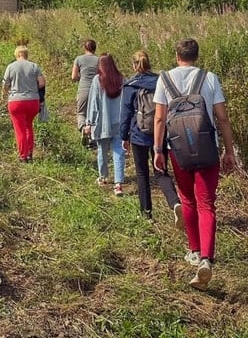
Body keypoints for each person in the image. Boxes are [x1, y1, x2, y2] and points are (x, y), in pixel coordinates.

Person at [153, 38, 237, 290]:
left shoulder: (164, 79)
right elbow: (222, 117)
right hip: (207, 149)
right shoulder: (209, 78)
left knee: (187, 200)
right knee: (206, 203)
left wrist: (158, 150)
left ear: (177, 55)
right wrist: (229, 151)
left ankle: (194, 249)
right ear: (197, 56)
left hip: (178, 150)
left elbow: (159, 118)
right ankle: (206, 259)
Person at [119, 50, 182, 225]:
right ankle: (175, 202)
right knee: (161, 171)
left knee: (142, 174)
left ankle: (146, 213)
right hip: (159, 134)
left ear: (134, 65)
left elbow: (125, 114)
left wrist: (124, 137)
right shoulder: (161, 81)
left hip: (138, 134)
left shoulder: (131, 85)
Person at [85, 54, 126, 195]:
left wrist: (89, 122)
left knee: (102, 151)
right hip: (119, 122)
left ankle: (103, 178)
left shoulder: (98, 80)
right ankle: (118, 184)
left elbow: (93, 103)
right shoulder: (121, 78)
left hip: (103, 123)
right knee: (119, 152)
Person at [2, 45, 46, 163]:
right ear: (26, 54)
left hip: (16, 102)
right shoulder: (34, 66)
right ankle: (30, 154)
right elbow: (42, 83)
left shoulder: (11, 67)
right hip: (33, 102)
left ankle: (23, 156)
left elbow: (5, 85)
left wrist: (3, 97)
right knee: (28, 126)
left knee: (19, 129)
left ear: (16, 54)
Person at [71, 39, 99, 132]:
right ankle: (93, 134)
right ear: (95, 48)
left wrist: (81, 78)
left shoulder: (79, 59)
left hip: (83, 89)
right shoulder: (99, 60)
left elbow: (74, 76)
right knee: (95, 113)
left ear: (84, 48)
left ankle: (83, 129)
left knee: (81, 113)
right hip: (97, 90)